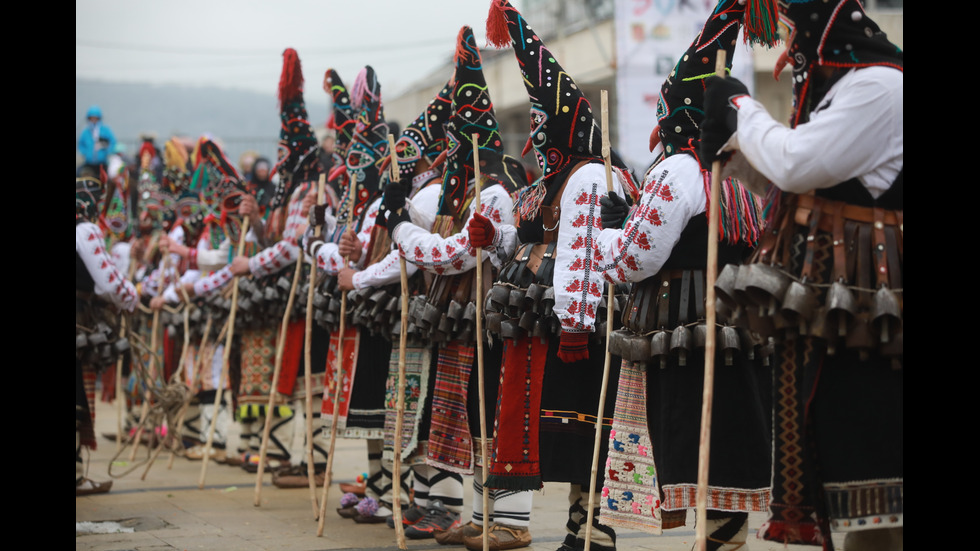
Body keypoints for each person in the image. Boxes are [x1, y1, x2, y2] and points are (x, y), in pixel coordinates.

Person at [700, 1, 903, 549]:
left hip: (868, 307)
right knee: (838, 454)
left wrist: (740, 109)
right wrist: (732, 145)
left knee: (872, 468)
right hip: (838, 308)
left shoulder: (880, 86)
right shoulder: (844, 90)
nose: (791, 57)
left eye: (795, 36)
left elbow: (797, 163)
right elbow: (797, 181)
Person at [592, 1, 778, 549]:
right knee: (731, 431)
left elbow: (636, 258)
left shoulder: (676, 168)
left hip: (684, 324)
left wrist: (610, 233)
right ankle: (726, 536)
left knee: (691, 431)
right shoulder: (747, 166)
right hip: (738, 320)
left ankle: (714, 540)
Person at [479, 3, 640, 550]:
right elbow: (529, 243)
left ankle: (594, 531)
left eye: (544, 125)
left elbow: (582, 250)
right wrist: (493, 240)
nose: (536, 135)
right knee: (564, 424)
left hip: (579, 317)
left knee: (583, 423)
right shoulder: (552, 181)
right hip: (544, 313)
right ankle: (579, 529)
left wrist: (574, 321)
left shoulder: (591, 174)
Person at [77, 171, 138, 495]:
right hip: (78, 320)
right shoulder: (85, 229)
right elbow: (109, 281)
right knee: (78, 395)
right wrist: (130, 299)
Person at [78, 105, 117, 177]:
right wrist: (85, 153)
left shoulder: (105, 130)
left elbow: (113, 142)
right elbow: (81, 144)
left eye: (95, 118)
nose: (93, 120)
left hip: (102, 162)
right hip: (89, 162)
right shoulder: (86, 131)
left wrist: (107, 151)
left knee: (104, 179)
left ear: (99, 118)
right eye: (91, 118)